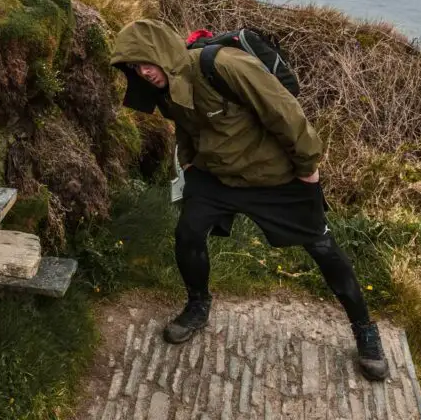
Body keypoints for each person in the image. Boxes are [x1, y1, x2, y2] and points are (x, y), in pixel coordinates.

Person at [110, 19, 388, 381]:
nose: (143, 73)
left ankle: (365, 330)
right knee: (188, 233)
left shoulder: (223, 65)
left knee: (321, 247)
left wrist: (308, 166)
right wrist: (189, 162)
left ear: (163, 52)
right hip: (215, 176)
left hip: (272, 177)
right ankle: (197, 305)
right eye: (134, 68)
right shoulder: (166, 88)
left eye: (145, 62)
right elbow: (186, 126)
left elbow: (284, 112)